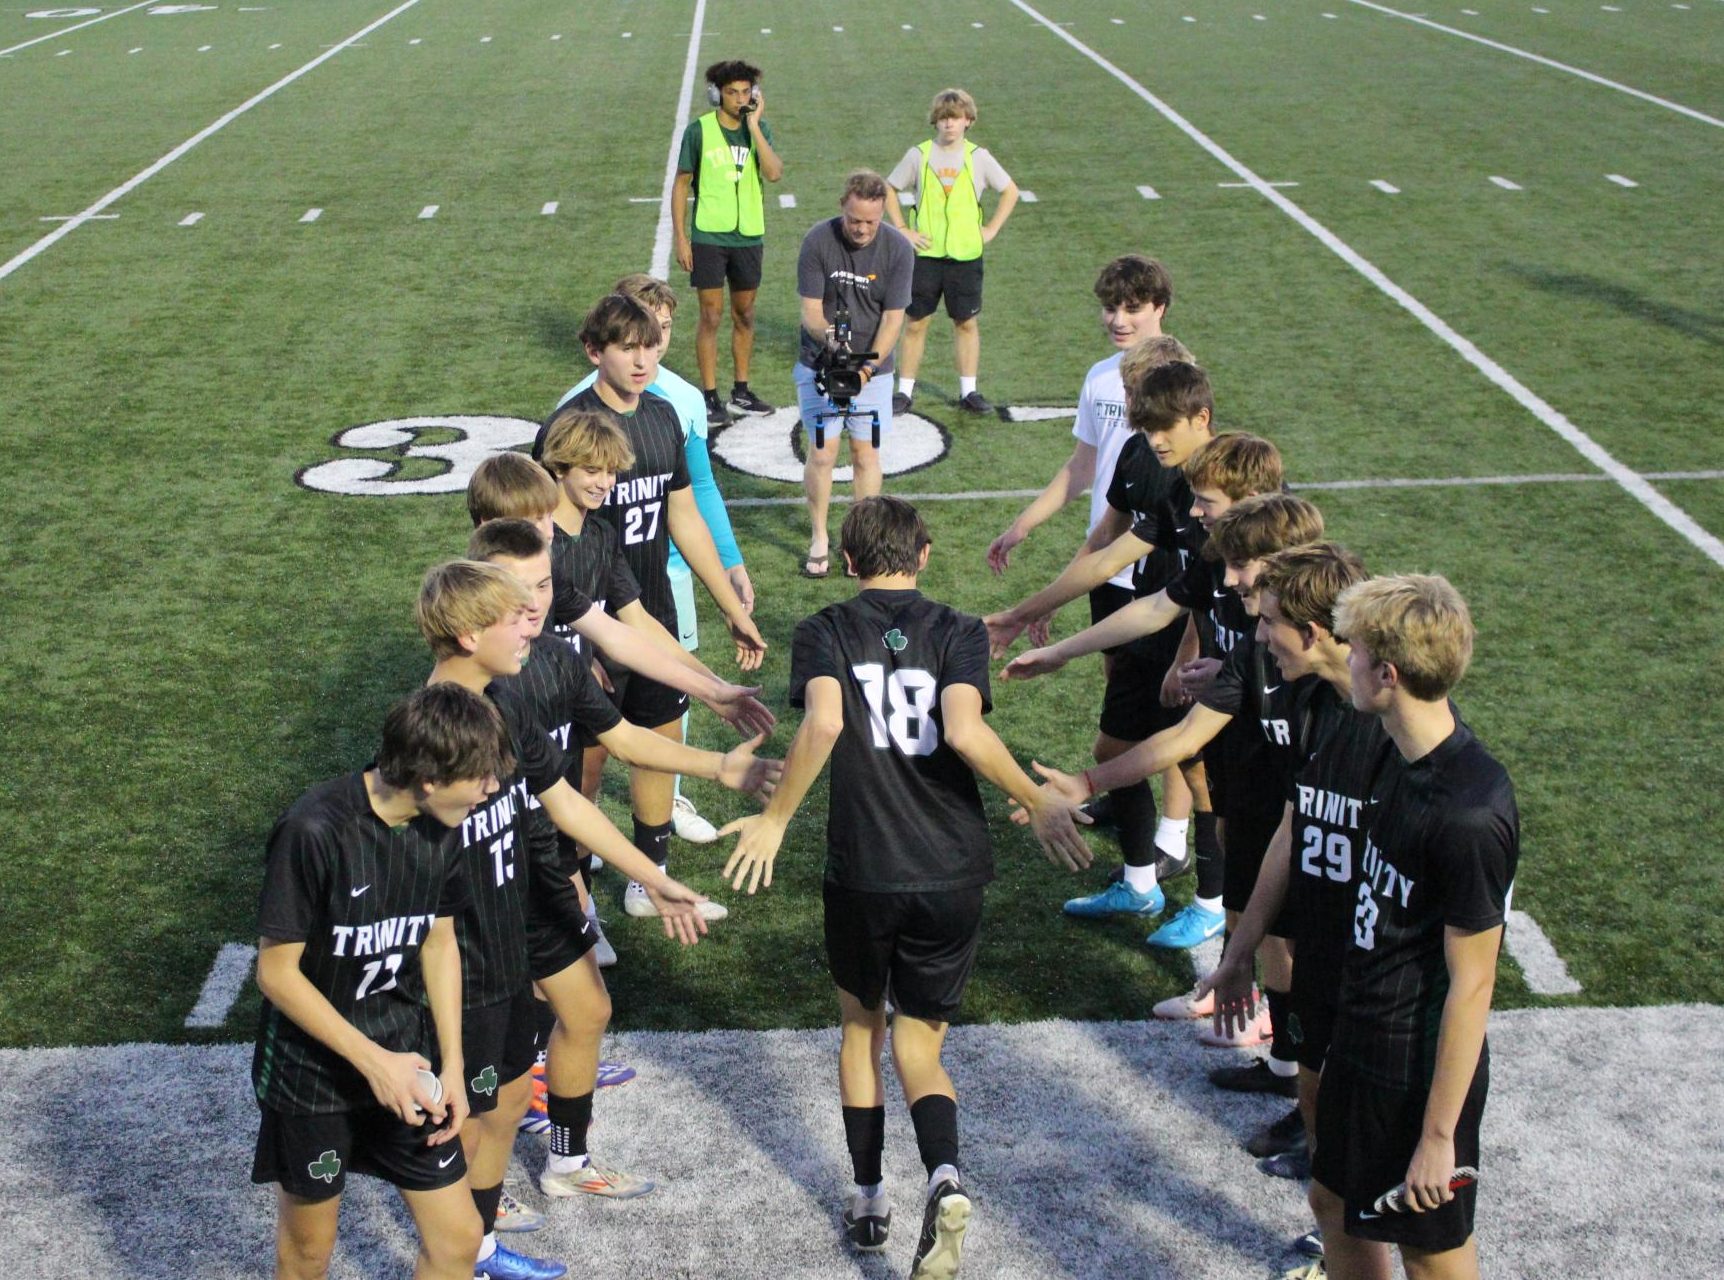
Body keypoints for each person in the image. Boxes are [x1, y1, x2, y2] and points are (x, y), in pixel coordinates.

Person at [718, 496, 1092, 1280]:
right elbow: (963, 730)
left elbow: (821, 725)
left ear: (849, 562)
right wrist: (1035, 795)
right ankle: (946, 1177)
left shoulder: (824, 629)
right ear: (923, 555)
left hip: (865, 868)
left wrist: (779, 820)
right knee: (921, 1046)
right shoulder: (956, 629)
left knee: (862, 1032)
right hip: (952, 867)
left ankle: (867, 1197)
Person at [465, 521, 778, 1213]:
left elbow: (616, 747)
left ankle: (566, 1164)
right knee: (497, 1069)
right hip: (480, 892)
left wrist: (719, 766)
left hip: (539, 866)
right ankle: (465, 1206)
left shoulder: (547, 660)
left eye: (544, 588)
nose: (536, 608)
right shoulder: (469, 704)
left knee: (585, 1007)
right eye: (518, 596)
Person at [417, 559, 713, 1280]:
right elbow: (412, 876)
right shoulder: (427, 736)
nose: (531, 624)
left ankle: (482, 1241)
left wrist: (651, 878)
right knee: (474, 1111)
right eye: (510, 614)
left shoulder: (499, 707)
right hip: (475, 948)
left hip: (517, 912)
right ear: (464, 634)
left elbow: (565, 804)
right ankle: (466, 1248)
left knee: (514, 1091)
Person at [251, 684, 509, 1280]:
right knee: (309, 1252)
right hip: (312, 1075)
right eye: (481, 777)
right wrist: (374, 1062)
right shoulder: (313, 830)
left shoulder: (446, 825)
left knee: (460, 1238)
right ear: (429, 779)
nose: (492, 789)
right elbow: (276, 974)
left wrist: (452, 1065)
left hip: (405, 1061)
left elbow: (439, 940)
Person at [531, 294, 767, 927]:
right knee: (582, 764)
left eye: (651, 345)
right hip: (576, 623)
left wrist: (728, 606)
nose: (643, 360)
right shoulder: (568, 430)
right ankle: (575, 899)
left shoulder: (666, 417)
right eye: (627, 348)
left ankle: (650, 875)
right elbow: (538, 546)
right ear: (594, 351)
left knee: (657, 739)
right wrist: (567, 648)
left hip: (640, 605)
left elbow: (682, 512)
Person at [1308, 576, 1517, 1280]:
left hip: (1412, 1069)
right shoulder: (1395, 750)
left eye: (1355, 650)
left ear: (1387, 674)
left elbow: (1474, 984)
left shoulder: (1469, 810)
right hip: (1363, 1034)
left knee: (1430, 1254)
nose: (1346, 658)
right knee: (1333, 1203)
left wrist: (1438, 1135)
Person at [1002, 433, 1283, 955]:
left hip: (1288, 776)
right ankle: (1235, 977)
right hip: (1244, 737)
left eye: (1206, 502)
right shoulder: (1225, 558)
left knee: (1278, 913)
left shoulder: (1295, 599)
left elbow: (1183, 736)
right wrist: (1062, 650)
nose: (1192, 510)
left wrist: (1085, 784)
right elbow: (1159, 607)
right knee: (1242, 868)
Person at [992, 360, 1217, 929]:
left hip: (1246, 665)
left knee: (1224, 784)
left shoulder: (1237, 501)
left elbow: (1211, 597)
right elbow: (1157, 592)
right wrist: (1053, 641)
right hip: (1208, 653)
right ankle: (1198, 903)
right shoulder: (1178, 491)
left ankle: (1217, 908)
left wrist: (1188, 654)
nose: (1153, 440)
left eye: (1163, 427)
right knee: (1179, 755)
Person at [794, 170, 915, 580]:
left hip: (873, 370)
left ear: (882, 213)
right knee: (823, 452)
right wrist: (831, 340)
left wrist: (867, 368)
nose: (862, 229)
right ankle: (819, 537)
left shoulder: (899, 249)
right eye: (854, 220)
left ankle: (860, 541)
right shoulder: (817, 241)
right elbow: (810, 310)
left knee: (865, 454)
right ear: (842, 208)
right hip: (819, 363)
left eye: (871, 222)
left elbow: (893, 319)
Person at [884, 88, 1020, 415]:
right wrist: (903, 230)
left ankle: (969, 391)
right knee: (916, 322)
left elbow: (1010, 191)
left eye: (955, 118)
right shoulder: (919, 155)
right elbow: (889, 187)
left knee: (966, 323)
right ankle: (904, 392)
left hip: (965, 255)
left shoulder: (979, 157)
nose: (949, 125)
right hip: (926, 256)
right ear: (936, 121)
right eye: (944, 118)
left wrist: (991, 229)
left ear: (968, 121)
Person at [671, 58, 784, 428]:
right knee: (711, 315)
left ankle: (742, 389)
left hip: (749, 236)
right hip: (709, 237)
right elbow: (681, 184)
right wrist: (681, 237)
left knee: (745, 315)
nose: (739, 99)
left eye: (745, 92)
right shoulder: (699, 131)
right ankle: (708, 395)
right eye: (732, 92)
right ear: (716, 94)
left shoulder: (759, 128)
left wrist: (754, 127)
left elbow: (773, 173)